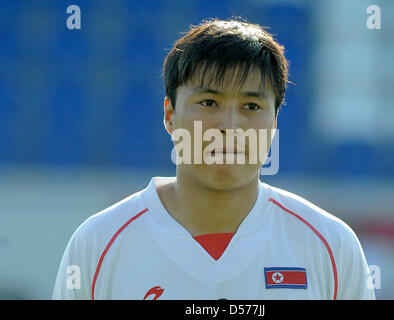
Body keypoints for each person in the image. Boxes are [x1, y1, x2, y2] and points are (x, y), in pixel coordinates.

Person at [52, 18, 375, 300]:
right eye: (208, 102)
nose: (230, 126)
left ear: (274, 122)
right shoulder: (100, 242)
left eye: (251, 107)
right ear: (169, 115)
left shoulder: (330, 244)